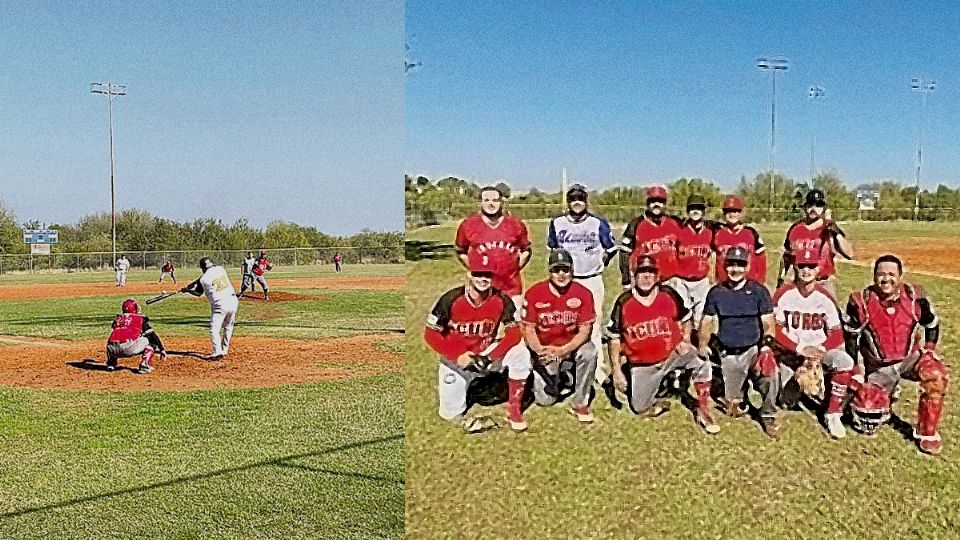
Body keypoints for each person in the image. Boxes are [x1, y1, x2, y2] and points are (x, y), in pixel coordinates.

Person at [843, 254, 947, 455]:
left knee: (936, 375)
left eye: (892, 274)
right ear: (873, 277)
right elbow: (851, 338)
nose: (886, 279)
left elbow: (931, 324)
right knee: (868, 408)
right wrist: (856, 370)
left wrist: (930, 350)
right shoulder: (861, 302)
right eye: (881, 274)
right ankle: (887, 393)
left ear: (900, 276)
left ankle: (927, 432)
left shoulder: (915, 298)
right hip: (879, 366)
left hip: (910, 359)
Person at [608, 255, 720, 434]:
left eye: (650, 272)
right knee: (639, 407)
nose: (646, 276)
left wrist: (685, 339)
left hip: (671, 355)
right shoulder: (624, 302)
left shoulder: (668, 294)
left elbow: (686, 319)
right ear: (634, 275)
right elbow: (614, 339)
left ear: (657, 275)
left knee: (701, 359)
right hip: (643, 364)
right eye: (641, 272)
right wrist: (616, 371)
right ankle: (647, 380)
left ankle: (703, 407)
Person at [424, 250, 531, 432]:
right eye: (478, 273)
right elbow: (430, 334)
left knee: (520, 353)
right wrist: (457, 355)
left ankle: (514, 409)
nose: (483, 278)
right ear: (469, 274)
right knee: (450, 414)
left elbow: (514, 333)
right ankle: (479, 386)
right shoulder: (451, 299)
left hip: (485, 354)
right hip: (456, 360)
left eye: (487, 274)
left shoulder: (502, 299)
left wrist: (490, 357)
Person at [770, 248, 854, 439]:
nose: (806, 270)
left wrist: (821, 350)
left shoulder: (825, 297)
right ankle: (799, 382)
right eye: (802, 266)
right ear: (795, 267)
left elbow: (837, 333)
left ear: (818, 269)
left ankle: (833, 413)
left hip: (819, 352)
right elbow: (774, 329)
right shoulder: (783, 294)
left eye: (811, 266)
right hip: (791, 354)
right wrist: (799, 349)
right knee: (785, 401)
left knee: (845, 362)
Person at [699, 246, 780, 438]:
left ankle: (768, 415)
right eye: (731, 264)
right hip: (729, 353)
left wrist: (767, 346)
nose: (736, 269)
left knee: (770, 375)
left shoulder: (759, 291)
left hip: (753, 350)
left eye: (740, 264)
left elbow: (769, 322)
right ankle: (736, 389)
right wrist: (703, 344)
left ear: (748, 266)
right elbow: (707, 321)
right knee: (733, 407)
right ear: (725, 266)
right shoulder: (717, 292)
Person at [546, 183, 617, 386]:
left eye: (580, 199)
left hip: (591, 278)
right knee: (564, 322)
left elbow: (611, 248)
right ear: (568, 202)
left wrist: (600, 261)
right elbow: (553, 248)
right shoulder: (557, 222)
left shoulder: (597, 222)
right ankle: (565, 366)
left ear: (586, 201)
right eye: (573, 199)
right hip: (566, 281)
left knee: (593, 324)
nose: (577, 203)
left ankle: (597, 368)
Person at [521, 249, 598, 424]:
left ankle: (580, 402)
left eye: (566, 269)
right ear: (550, 272)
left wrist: (563, 351)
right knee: (545, 400)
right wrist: (541, 351)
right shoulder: (534, 293)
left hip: (570, 346)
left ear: (572, 271)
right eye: (557, 270)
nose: (561, 274)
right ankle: (559, 377)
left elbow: (585, 330)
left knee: (590, 352)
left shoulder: (583, 293)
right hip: (545, 349)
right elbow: (529, 329)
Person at [454, 185, 532, 306]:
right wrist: (474, 268)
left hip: (511, 288)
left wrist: (515, 267)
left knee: (514, 323)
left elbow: (526, 250)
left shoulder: (515, 224)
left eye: (495, 200)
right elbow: (460, 250)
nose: (491, 204)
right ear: (480, 203)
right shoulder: (468, 225)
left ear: (501, 202)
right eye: (486, 200)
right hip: (480, 288)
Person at [779, 189, 855, 299]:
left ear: (824, 208)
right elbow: (786, 256)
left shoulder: (829, 229)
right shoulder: (795, 229)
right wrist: (781, 279)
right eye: (810, 204)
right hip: (800, 284)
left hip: (823, 283)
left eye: (818, 205)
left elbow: (850, 254)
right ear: (805, 207)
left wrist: (835, 230)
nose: (814, 208)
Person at [619, 185, 682, 290]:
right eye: (653, 201)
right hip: (644, 281)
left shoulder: (674, 222)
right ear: (647, 203)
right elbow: (624, 253)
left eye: (660, 201)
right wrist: (626, 280)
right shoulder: (636, 224)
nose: (656, 204)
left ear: (665, 204)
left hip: (670, 280)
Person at [181, 257, 239, 361]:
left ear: (202, 268)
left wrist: (187, 290)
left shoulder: (204, 279)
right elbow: (209, 274)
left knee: (214, 329)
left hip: (220, 304)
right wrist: (194, 283)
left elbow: (198, 293)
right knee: (228, 326)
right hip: (233, 300)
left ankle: (217, 352)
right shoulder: (220, 268)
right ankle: (224, 350)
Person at [711, 195, 767, 286]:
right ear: (724, 214)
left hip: (748, 282)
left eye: (735, 211)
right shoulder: (717, 233)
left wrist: (760, 281)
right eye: (728, 211)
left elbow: (761, 258)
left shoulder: (751, 233)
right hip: (724, 283)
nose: (732, 214)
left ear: (741, 213)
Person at [105, 298, 166, 374]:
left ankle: (111, 364)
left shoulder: (117, 319)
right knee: (150, 340)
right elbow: (152, 334)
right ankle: (145, 365)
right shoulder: (140, 319)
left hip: (111, 350)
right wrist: (161, 349)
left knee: (113, 339)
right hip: (128, 349)